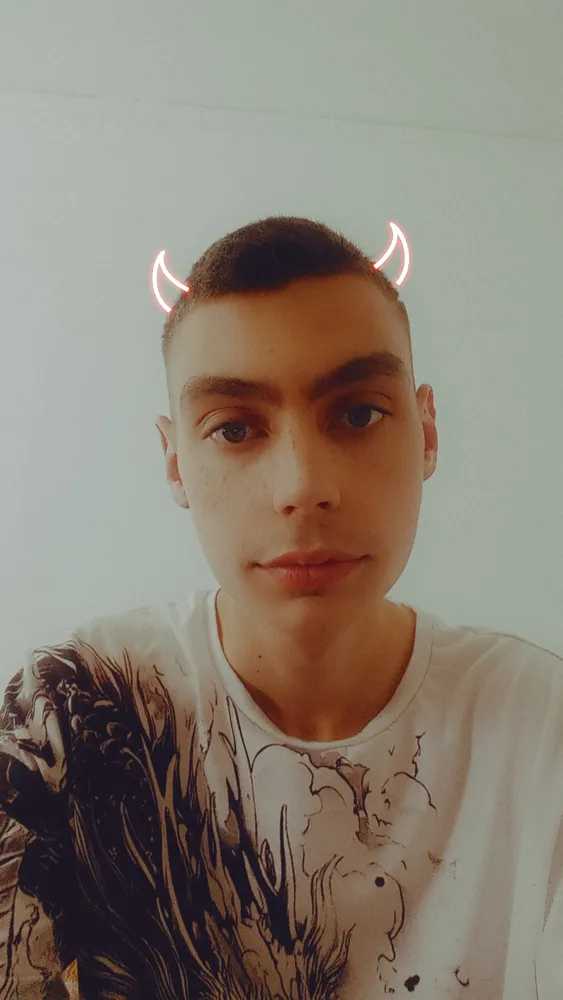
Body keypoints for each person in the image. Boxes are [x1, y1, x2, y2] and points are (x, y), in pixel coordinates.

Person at [1, 216, 562, 1000]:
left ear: (427, 431)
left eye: (357, 414)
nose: (302, 486)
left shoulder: (541, 727)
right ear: (175, 463)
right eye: (234, 428)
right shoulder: (75, 710)